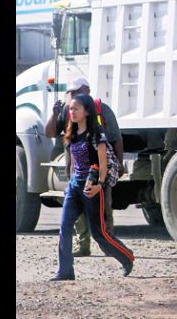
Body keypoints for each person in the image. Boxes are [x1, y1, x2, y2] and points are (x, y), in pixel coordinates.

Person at [50, 94, 134, 281]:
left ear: (86, 111)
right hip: (75, 187)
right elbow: (72, 162)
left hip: (94, 187)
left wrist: (99, 186)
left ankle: (127, 258)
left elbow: (103, 165)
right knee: (64, 226)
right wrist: (71, 183)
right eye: (70, 109)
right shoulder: (71, 134)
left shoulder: (97, 135)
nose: (71, 112)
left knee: (99, 233)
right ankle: (65, 271)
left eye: (76, 109)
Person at [44, 76, 124, 258]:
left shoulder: (102, 110)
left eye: (76, 92)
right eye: (71, 93)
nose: (73, 96)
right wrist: (55, 114)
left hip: (97, 171)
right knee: (77, 212)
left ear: (86, 91)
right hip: (75, 171)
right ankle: (83, 245)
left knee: (104, 208)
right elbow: (49, 133)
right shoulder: (67, 111)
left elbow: (116, 138)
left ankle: (108, 245)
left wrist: (119, 163)